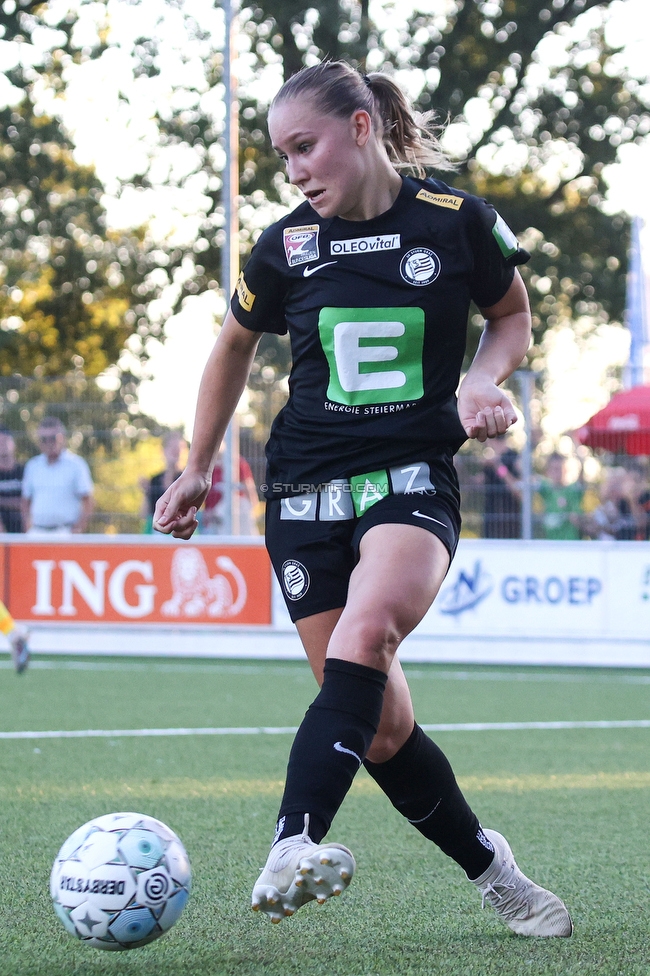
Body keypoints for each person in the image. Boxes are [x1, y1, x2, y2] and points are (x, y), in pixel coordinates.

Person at [154, 60, 572, 938]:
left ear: (360, 127)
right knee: (380, 729)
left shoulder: (459, 224)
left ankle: (291, 840)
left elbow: (512, 317)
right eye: (281, 157)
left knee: (365, 633)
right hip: (304, 488)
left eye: (304, 147)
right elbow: (231, 348)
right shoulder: (285, 246)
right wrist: (197, 465)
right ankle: (494, 870)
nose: (295, 170)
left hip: (413, 476)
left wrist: (479, 382)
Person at [21, 417, 94, 534]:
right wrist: (27, 527)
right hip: (37, 532)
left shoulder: (76, 465)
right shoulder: (33, 466)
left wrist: (79, 528)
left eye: (53, 438)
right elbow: (25, 501)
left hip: (65, 533)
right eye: (44, 439)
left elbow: (88, 501)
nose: (49, 443)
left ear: (63, 438)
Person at [201, 445, 260, 535]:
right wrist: (208, 512)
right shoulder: (206, 466)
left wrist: (253, 507)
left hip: (236, 512)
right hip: (214, 517)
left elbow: (248, 486)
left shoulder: (236, 462)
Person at [140, 431, 185, 533]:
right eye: (171, 448)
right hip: (156, 532)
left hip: (178, 531)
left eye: (177, 448)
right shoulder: (154, 480)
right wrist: (146, 492)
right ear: (164, 450)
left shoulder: (185, 479)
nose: (175, 452)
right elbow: (144, 515)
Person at [535, 453, 584, 540]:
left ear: (565, 470)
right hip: (550, 545)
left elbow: (581, 473)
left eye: (559, 469)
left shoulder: (572, 490)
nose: (557, 473)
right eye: (553, 469)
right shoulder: (545, 489)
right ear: (548, 471)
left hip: (570, 544)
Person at [482, 437, 521, 538]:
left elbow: (517, 489)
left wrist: (498, 466)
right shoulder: (488, 461)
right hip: (491, 521)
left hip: (510, 522)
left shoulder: (514, 458)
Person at [0, 428, 24, 533]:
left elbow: (30, 504)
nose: (2, 445)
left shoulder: (26, 471)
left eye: (5, 441)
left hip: (28, 534)